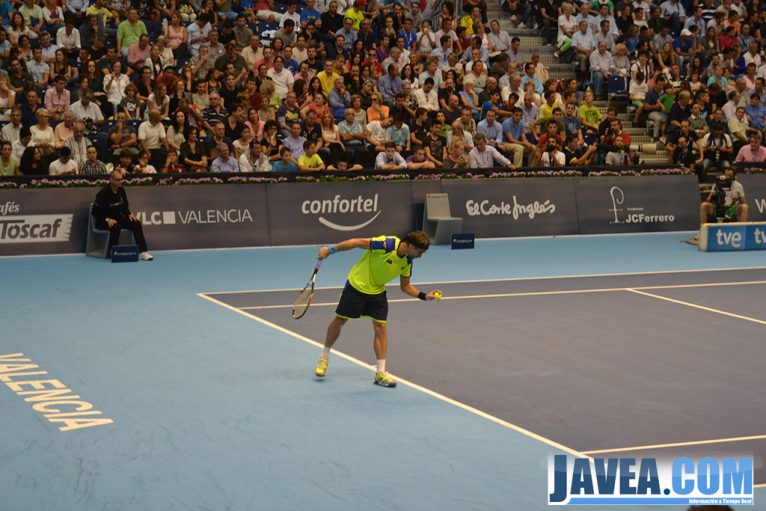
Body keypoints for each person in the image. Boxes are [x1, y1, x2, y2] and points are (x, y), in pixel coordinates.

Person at [313, 231, 440, 388]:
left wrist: (424, 296)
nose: (420, 256)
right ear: (411, 245)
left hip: (377, 292)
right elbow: (357, 242)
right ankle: (324, 357)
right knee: (340, 320)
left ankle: (380, 373)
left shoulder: (407, 261)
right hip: (357, 286)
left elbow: (405, 287)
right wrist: (330, 250)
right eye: (419, 251)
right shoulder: (387, 244)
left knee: (381, 328)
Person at [92, 169, 154, 261]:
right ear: (111, 180)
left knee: (136, 223)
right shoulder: (102, 194)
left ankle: (143, 252)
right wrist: (107, 219)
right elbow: (95, 212)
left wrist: (129, 214)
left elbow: (125, 207)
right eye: (118, 179)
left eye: (121, 179)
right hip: (103, 221)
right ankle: (113, 252)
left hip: (119, 219)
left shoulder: (121, 190)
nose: (120, 181)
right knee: (115, 226)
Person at [689, 167, 749, 244]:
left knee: (745, 207)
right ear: (723, 174)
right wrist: (713, 195)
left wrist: (736, 200)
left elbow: (744, 202)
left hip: (730, 209)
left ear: (734, 175)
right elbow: (708, 199)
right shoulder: (717, 183)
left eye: (730, 175)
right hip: (717, 207)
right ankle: (702, 231)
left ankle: (741, 232)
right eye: (726, 175)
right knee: (704, 205)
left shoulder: (738, 185)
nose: (728, 177)